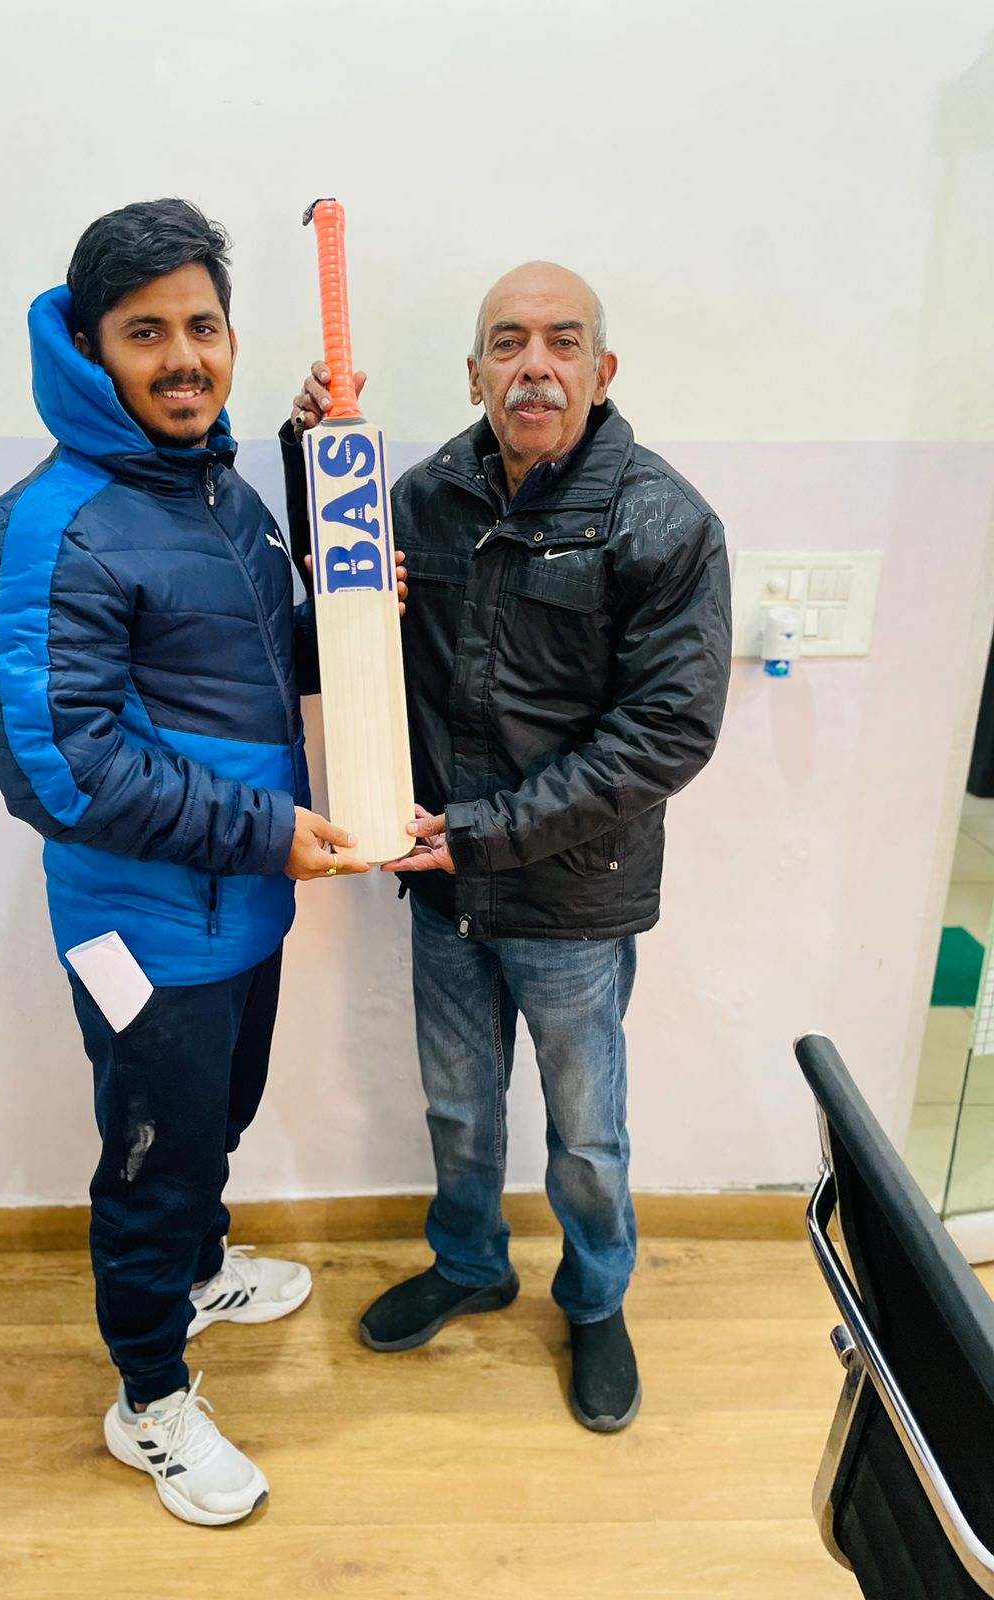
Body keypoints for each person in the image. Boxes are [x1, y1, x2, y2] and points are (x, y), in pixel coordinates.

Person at [0, 199, 404, 1526]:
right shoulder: (48, 524)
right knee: (154, 1163)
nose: (182, 357)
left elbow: (238, 652)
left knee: (220, 1119)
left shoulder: (218, 491)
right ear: (91, 349)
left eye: (201, 326)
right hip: (146, 930)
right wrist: (267, 831)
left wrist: (335, 539)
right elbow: (58, 769)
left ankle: (201, 1272)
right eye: (145, 331)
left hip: (244, 908)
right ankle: (148, 1398)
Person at [285, 261, 731, 1432]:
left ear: (602, 370)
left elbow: (667, 732)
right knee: (460, 1109)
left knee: (587, 1135)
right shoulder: (424, 496)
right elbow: (338, 630)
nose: (535, 365)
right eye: (509, 342)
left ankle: (595, 1300)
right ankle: (472, 1264)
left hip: (573, 902)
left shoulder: (665, 520)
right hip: (446, 889)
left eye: (562, 341)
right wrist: (308, 456)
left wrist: (486, 832)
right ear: (475, 371)